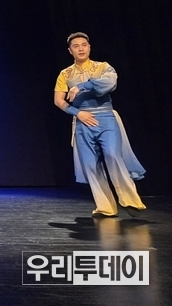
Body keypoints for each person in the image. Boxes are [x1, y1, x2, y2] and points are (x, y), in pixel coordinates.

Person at [53, 32, 147, 218]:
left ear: (89, 47)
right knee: (90, 164)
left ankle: (130, 201)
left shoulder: (103, 67)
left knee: (113, 155)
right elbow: (58, 100)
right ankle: (105, 206)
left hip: (105, 117)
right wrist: (78, 113)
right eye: (76, 46)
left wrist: (82, 86)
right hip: (83, 120)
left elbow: (110, 83)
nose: (80, 48)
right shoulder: (65, 74)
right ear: (70, 51)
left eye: (84, 45)